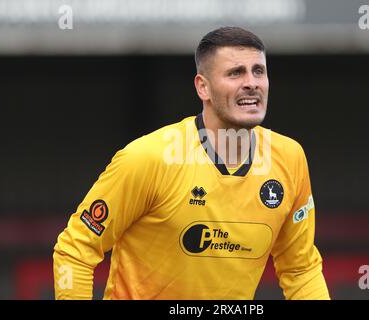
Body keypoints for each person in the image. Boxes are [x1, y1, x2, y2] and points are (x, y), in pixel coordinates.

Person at [53, 26, 330, 300]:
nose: (252, 83)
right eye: (235, 73)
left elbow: (301, 269)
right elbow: (74, 250)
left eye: (259, 71)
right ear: (203, 87)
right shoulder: (149, 158)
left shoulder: (290, 158)